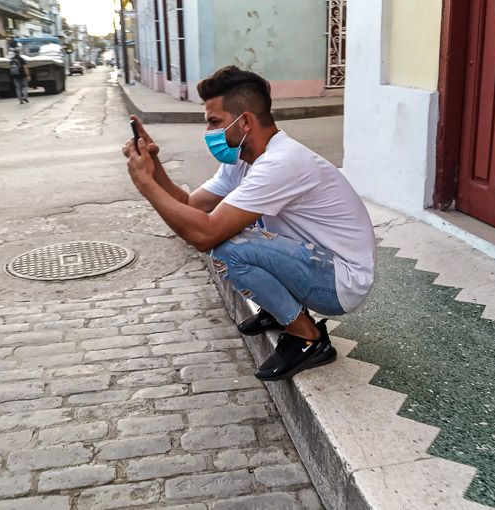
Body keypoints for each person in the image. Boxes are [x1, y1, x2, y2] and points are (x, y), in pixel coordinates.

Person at [123, 65, 376, 381]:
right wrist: (154, 164)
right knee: (234, 227)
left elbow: (204, 234)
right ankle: (277, 310)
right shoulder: (242, 159)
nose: (209, 133)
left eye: (215, 122)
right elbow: (189, 205)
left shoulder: (280, 163)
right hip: (314, 261)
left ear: (244, 122)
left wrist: (146, 185)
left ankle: (308, 338)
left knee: (228, 247)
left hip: (341, 281)